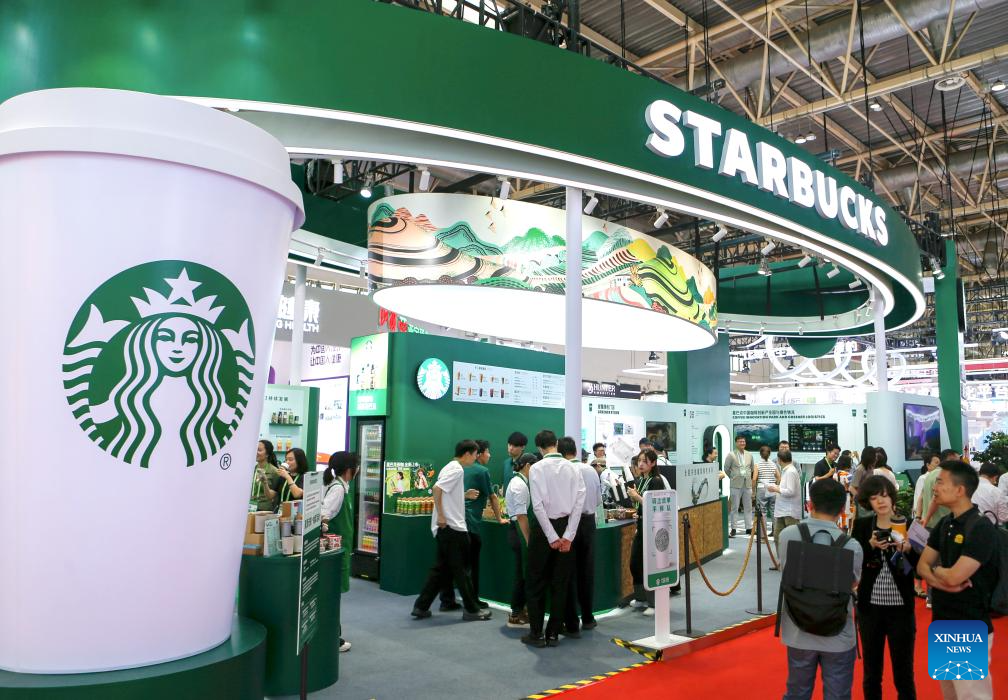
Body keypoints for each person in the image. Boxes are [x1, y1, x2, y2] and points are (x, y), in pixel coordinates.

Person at [917, 460, 1000, 700]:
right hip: (943, 619)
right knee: (951, 693)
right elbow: (922, 566)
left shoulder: (980, 527)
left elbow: (954, 577)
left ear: (960, 490)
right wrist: (942, 577)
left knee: (971, 695)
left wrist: (939, 572)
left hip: (968, 623)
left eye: (940, 482)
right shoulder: (945, 523)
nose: (935, 487)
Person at [777, 479, 863, 700]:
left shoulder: (787, 535)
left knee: (796, 693)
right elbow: (852, 583)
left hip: (798, 630)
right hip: (838, 633)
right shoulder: (851, 546)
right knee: (838, 695)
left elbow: (786, 571)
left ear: (810, 504)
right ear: (842, 509)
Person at [852, 476, 919, 700]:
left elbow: (919, 568)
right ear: (867, 502)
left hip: (901, 608)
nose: (880, 501)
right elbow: (854, 563)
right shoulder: (862, 526)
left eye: (884, 495)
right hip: (870, 608)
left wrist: (907, 550)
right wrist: (869, 546)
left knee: (904, 672)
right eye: (874, 498)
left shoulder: (909, 524)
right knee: (872, 672)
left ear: (892, 496)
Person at [411, 440, 491, 622]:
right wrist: (441, 515)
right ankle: (472, 609)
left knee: (440, 569)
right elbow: (437, 488)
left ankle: (421, 606)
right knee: (461, 569)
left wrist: (463, 495)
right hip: (452, 527)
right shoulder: (457, 470)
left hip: (446, 528)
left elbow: (445, 492)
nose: (476, 458)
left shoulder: (449, 467)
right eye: (475, 454)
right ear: (468, 454)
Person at [523, 430, 586, 648]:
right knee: (561, 583)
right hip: (567, 525)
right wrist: (568, 536)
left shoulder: (536, 468)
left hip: (543, 530)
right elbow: (579, 503)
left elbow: (537, 506)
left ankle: (536, 634)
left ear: (539, 448)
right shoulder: (574, 467)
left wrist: (551, 536)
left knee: (536, 581)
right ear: (556, 443)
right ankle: (553, 634)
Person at [440, 439, 507, 611]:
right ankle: (472, 601)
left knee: (449, 564)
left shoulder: (454, 467)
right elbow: (493, 497)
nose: (489, 455)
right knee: (470, 565)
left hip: (451, 521)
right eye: (487, 452)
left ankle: (447, 600)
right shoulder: (481, 471)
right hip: (470, 523)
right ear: (478, 454)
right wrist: (500, 518)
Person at [561, 436, 602, 635]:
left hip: (569, 523)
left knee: (568, 572)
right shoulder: (591, 470)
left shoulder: (563, 470)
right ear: (575, 451)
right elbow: (599, 500)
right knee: (587, 571)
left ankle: (571, 623)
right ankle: (588, 617)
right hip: (588, 523)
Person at [322, 451, 359, 654]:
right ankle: (333, 638)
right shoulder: (338, 489)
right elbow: (324, 514)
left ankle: (333, 635)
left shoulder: (340, 486)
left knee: (332, 593)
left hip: (339, 548)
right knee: (332, 593)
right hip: (335, 549)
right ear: (349, 470)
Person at [628, 448, 672, 615]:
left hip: (653, 528)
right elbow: (642, 505)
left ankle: (653, 603)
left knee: (651, 565)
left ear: (653, 463)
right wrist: (637, 510)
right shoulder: (641, 480)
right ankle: (640, 598)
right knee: (635, 563)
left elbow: (655, 506)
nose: (640, 464)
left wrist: (636, 497)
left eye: (644, 461)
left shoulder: (656, 481)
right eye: (639, 461)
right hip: (641, 524)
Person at [505, 453, 537, 628]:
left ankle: (521, 610)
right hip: (518, 530)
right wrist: (529, 540)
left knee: (523, 573)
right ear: (527, 466)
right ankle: (516, 612)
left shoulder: (521, 482)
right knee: (521, 574)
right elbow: (521, 515)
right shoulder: (519, 485)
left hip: (518, 529)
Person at [767, 449, 801, 559]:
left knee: (791, 538)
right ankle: (781, 561)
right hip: (783, 510)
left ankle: (791, 562)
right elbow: (787, 488)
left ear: (780, 460)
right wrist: (777, 487)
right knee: (778, 536)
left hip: (789, 511)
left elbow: (791, 491)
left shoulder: (790, 472)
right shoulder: (787, 470)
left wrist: (776, 489)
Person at [919, 448, 961, 529]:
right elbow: (935, 500)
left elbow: (921, 497)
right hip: (939, 525)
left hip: (929, 524)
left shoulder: (930, 474)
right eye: (957, 461)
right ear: (949, 460)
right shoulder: (945, 475)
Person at [723, 435, 755, 536]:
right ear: (736, 443)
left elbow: (752, 468)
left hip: (747, 484)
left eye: (743, 441)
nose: (742, 443)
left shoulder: (749, 455)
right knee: (734, 507)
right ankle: (734, 528)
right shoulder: (731, 455)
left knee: (748, 507)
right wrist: (733, 477)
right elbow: (726, 468)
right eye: (740, 441)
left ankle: (749, 528)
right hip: (735, 484)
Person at [250, 439, 282, 512]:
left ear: (267, 454)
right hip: (251, 508)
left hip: (265, 510)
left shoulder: (275, 471)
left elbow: (275, 495)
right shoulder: (252, 469)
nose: (256, 452)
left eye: (259, 450)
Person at [755, 444, 779, 533]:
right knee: (773, 511)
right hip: (772, 488)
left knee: (762, 512)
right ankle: (776, 533)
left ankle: (762, 535)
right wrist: (776, 485)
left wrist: (753, 491)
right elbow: (779, 477)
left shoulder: (757, 464)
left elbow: (754, 479)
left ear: (760, 454)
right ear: (770, 454)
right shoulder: (773, 464)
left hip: (762, 488)